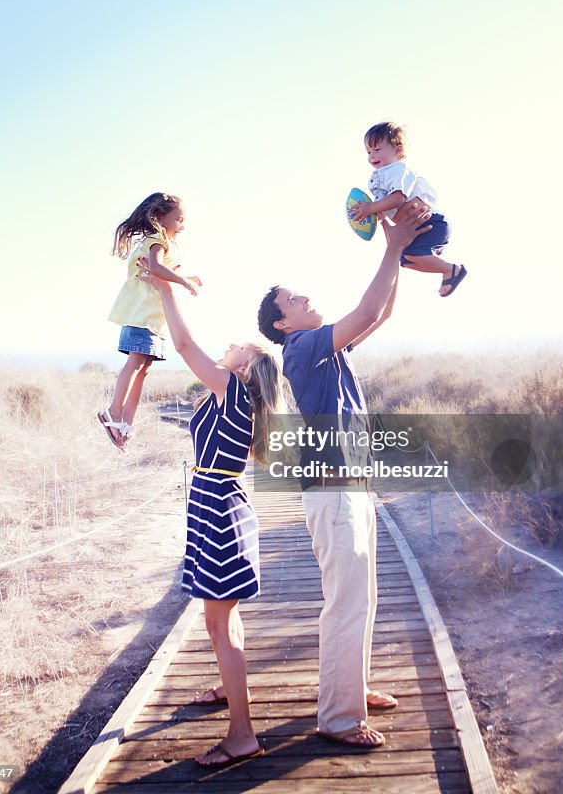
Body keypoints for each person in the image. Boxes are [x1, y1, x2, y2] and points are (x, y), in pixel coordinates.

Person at [257, 201, 429, 749]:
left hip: (350, 487)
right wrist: (394, 246)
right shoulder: (302, 347)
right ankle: (337, 718)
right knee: (346, 602)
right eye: (294, 299)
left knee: (364, 597)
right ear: (283, 322)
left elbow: (378, 314)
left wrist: (397, 257)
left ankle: (353, 689)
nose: (305, 297)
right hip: (333, 491)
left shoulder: (324, 352)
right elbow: (361, 313)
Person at [140, 265, 285, 767]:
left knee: (220, 624)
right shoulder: (233, 392)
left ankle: (242, 735)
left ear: (244, 367)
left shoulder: (232, 388)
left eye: (240, 346)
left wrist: (163, 289)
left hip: (219, 510)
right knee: (220, 619)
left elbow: (182, 346)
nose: (231, 344)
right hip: (216, 505)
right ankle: (231, 687)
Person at [98, 192, 201, 448]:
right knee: (135, 363)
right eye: (178, 219)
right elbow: (155, 268)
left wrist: (181, 275)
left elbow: (160, 271)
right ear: (160, 218)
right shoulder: (157, 240)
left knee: (143, 368)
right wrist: (184, 281)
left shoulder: (157, 244)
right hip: (141, 316)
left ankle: (124, 425)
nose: (182, 225)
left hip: (151, 319)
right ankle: (113, 412)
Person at [350, 121, 467, 297]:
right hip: (415, 228)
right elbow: (385, 210)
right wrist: (374, 216)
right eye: (368, 151)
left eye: (377, 149)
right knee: (406, 260)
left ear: (397, 151)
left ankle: (451, 270)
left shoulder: (398, 169)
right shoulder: (380, 177)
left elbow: (398, 198)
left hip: (431, 223)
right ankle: (447, 271)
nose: (371, 155)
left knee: (414, 255)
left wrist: (371, 208)